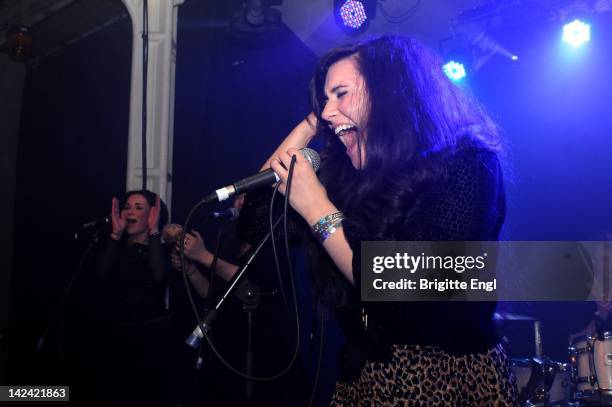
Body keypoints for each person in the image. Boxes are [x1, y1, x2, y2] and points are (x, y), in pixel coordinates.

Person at [262, 35, 517, 404]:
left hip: (447, 378)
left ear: (390, 93)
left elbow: (403, 282)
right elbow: (253, 219)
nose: (328, 111)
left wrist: (317, 208)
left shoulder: (468, 164)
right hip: (364, 378)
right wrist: (309, 125)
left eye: (341, 94)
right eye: (323, 101)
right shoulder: (347, 174)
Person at [93, 189, 171, 406]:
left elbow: (158, 276)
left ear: (152, 215)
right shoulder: (115, 249)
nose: (129, 212)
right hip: (116, 339)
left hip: (150, 341)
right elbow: (101, 275)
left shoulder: (161, 250)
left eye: (139, 208)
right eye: (127, 207)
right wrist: (115, 236)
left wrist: (154, 231)